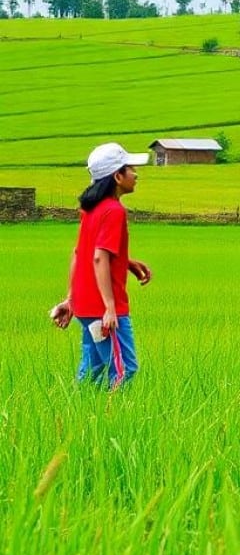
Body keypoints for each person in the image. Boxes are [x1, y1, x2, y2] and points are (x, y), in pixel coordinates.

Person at [49, 142, 153, 387]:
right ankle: (112, 419)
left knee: (92, 370)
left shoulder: (91, 210)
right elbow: (98, 257)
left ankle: (78, 414)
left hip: (86, 308)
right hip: (103, 310)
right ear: (117, 176)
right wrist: (109, 307)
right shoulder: (114, 211)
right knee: (124, 371)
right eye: (130, 169)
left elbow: (81, 253)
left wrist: (71, 298)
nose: (136, 174)